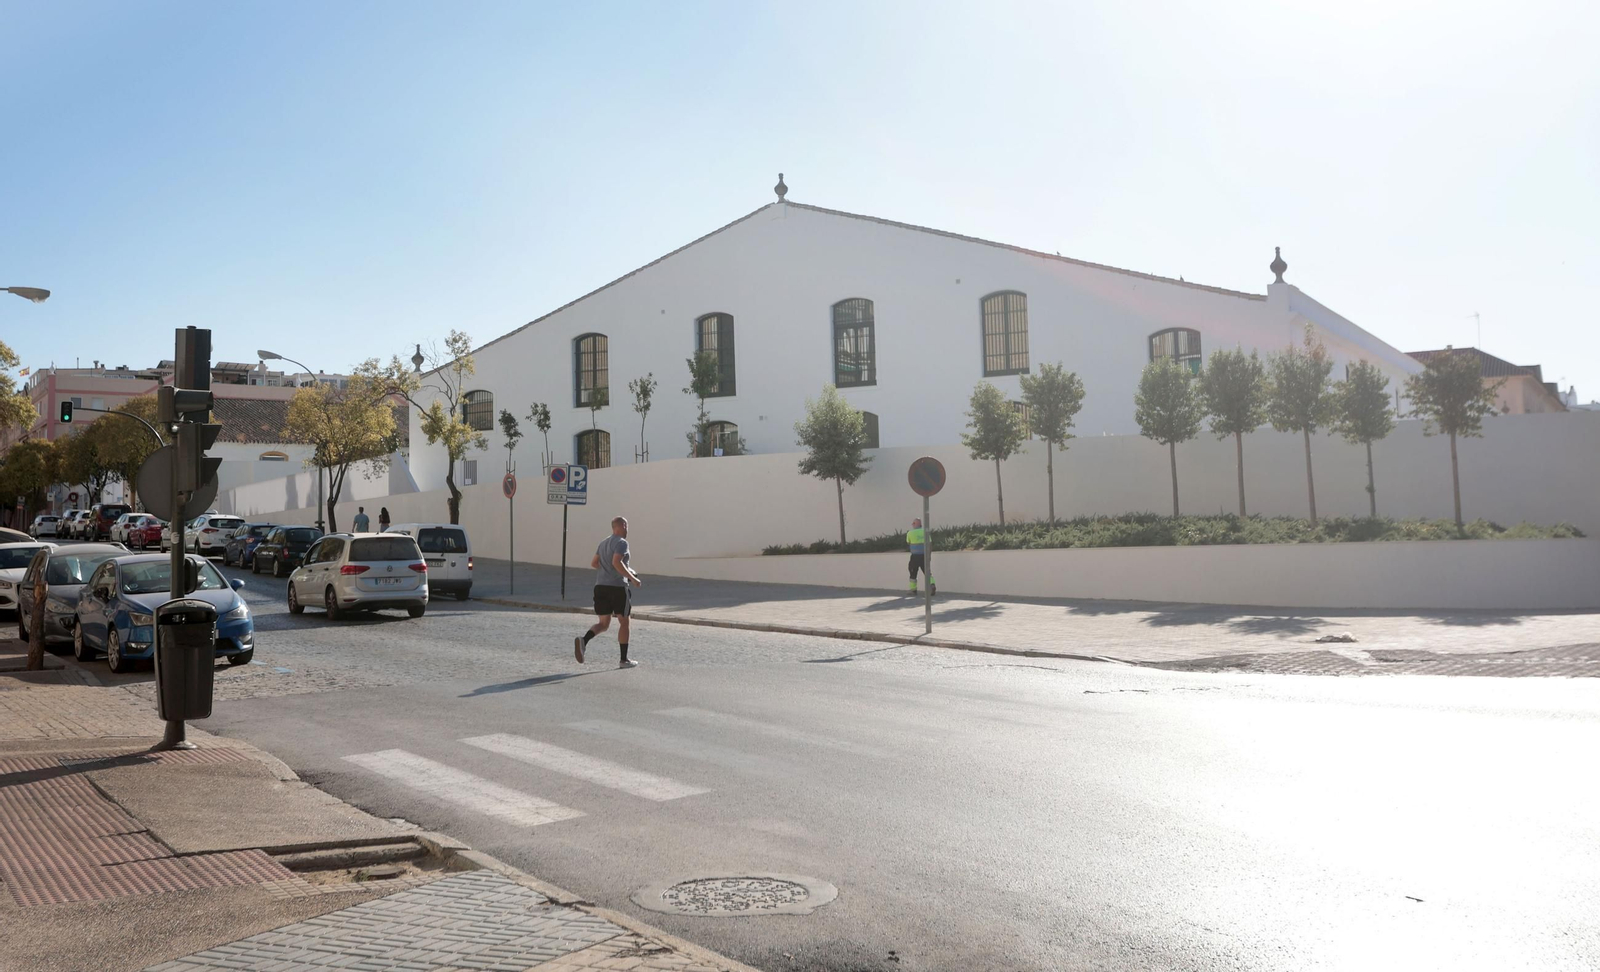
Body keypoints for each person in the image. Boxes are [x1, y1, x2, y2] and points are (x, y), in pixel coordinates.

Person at [575, 515, 643, 669]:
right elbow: (616, 562)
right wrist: (633, 578)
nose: (627, 530)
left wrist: (609, 571)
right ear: (623, 526)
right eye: (627, 526)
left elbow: (594, 563)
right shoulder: (622, 543)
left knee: (603, 624)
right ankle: (624, 660)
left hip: (600, 587)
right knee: (624, 622)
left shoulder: (603, 543)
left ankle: (584, 641)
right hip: (617, 588)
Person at [906, 517, 935, 595]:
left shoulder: (910, 533)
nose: (912, 524)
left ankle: (913, 590)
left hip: (915, 556)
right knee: (927, 572)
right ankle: (932, 585)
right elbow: (930, 544)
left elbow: (908, 543)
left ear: (915, 524)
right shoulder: (925, 532)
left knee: (912, 572)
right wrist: (929, 556)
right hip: (924, 556)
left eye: (913, 523)